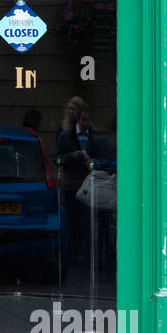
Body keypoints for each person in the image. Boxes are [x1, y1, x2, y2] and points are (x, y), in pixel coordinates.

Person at [55, 106, 112, 268]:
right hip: (72, 184)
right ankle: (71, 256)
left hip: (89, 183)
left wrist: (92, 160)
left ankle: (85, 257)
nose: (85, 123)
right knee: (73, 221)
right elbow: (57, 157)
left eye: (88, 120)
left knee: (87, 222)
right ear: (78, 120)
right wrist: (72, 156)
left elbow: (103, 157)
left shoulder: (94, 138)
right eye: (83, 120)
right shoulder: (66, 136)